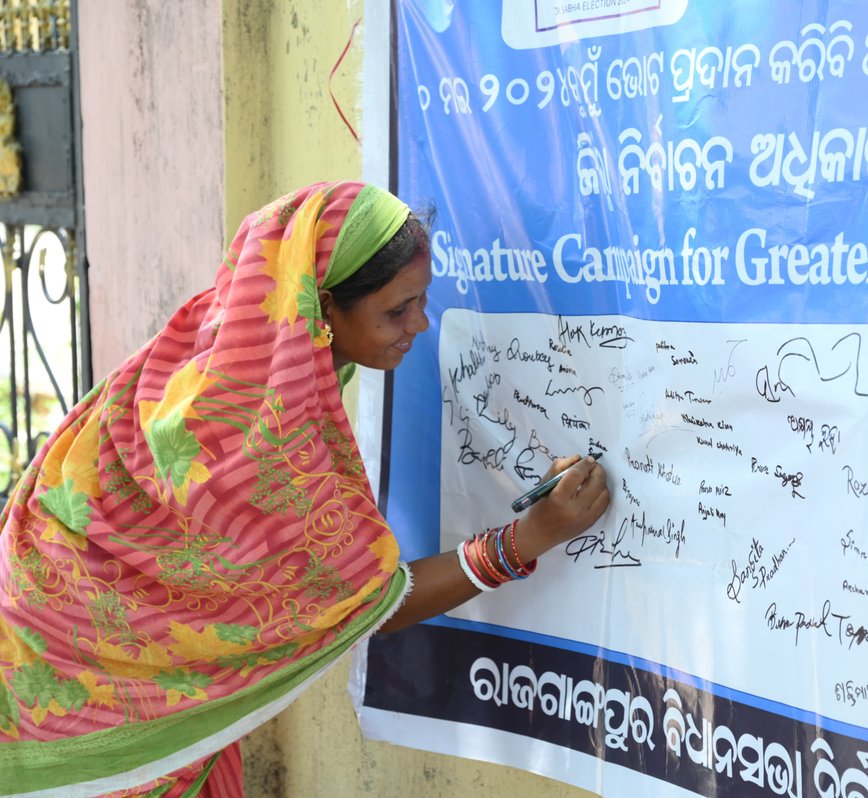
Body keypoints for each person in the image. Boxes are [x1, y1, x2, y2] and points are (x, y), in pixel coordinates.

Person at [0, 181, 610, 797]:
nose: (420, 325)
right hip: (81, 678)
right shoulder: (262, 445)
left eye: (422, 302)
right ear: (320, 307)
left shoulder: (224, 337)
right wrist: (527, 538)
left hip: (35, 601)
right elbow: (370, 602)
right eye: (397, 310)